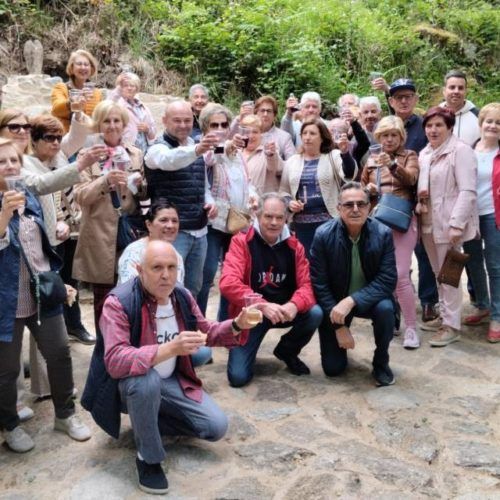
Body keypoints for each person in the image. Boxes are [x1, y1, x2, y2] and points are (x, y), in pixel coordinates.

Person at [81, 240, 256, 494]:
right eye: (157, 268)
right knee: (146, 381)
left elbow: (207, 331)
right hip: (127, 386)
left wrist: (237, 324)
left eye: (171, 267)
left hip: (171, 380)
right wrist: (171, 348)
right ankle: (148, 458)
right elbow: (116, 361)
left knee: (215, 427)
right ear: (140, 270)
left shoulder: (181, 296)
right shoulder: (118, 302)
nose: (165, 275)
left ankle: (147, 422)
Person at [0, 138, 91, 453]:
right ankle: (10, 424)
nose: (10, 166)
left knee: (60, 354)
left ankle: (66, 415)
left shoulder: (31, 196)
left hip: (41, 293)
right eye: (2, 162)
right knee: (7, 370)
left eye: (14, 160)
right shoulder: (8, 203)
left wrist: (56, 279)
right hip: (6, 301)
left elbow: (43, 244)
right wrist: (4, 214)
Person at [220, 193, 323, 387]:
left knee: (315, 313)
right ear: (258, 216)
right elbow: (228, 282)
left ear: (286, 219)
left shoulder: (295, 246)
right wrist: (261, 305)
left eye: (279, 217)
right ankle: (242, 348)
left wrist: (295, 304)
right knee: (238, 378)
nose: (274, 222)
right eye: (268, 216)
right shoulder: (241, 242)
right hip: (252, 315)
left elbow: (307, 285)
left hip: (283, 311)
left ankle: (287, 350)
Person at [310, 182, 397, 386]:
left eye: (361, 204)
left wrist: (351, 301)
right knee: (333, 369)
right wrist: (338, 326)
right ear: (338, 208)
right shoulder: (323, 235)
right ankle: (338, 345)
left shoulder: (383, 233)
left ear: (369, 207)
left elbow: (387, 280)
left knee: (386, 308)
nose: (356, 209)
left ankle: (381, 359)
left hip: (368, 300)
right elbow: (319, 284)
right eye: (349, 205)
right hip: (335, 304)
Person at [72, 101, 145, 334]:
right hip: (99, 235)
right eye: (107, 121)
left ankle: (127, 347)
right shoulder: (87, 155)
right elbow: (80, 196)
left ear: (124, 124)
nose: (112, 126)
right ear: (99, 125)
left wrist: (139, 185)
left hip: (128, 233)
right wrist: (105, 181)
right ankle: (105, 354)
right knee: (103, 300)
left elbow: (142, 196)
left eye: (117, 121)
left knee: (132, 292)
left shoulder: (135, 154)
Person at [372, 77, 439, 323]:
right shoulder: (386, 132)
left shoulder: (424, 125)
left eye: (408, 96)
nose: (403, 100)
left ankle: (429, 301)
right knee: (396, 263)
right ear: (391, 100)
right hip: (390, 207)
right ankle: (397, 305)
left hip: (420, 201)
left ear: (416, 99)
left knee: (423, 254)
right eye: (398, 97)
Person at [118, 200, 213, 365]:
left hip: (168, 328)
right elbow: (131, 299)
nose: (170, 225)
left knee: (203, 352)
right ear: (148, 224)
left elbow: (177, 299)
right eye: (163, 220)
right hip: (140, 328)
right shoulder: (133, 253)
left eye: (174, 221)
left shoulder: (175, 255)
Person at [144, 99, 219, 298]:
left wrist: (210, 201)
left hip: (200, 230)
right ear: (164, 121)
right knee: (166, 289)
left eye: (187, 120)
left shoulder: (196, 146)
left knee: (193, 290)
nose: (183, 125)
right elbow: (169, 160)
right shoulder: (155, 149)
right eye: (177, 120)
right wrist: (197, 150)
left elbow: (204, 186)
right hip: (172, 233)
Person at [417, 106, 478, 347]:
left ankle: (451, 326)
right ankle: (445, 315)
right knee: (437, 273)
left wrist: (456, 224)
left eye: (439, 125)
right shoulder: (425, 153)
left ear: (450, 127)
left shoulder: (460, 151)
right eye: (429, 126)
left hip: (449, 224)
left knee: (449, 275)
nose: (433, 130)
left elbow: (468, 191)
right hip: (428, 222)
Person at [361, 116, 420, 348]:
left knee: (401, 274)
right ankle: (391, 320)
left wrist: (392, 165)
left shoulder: (410, 156)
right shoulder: (371, 159)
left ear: (401, 137)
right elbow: (362, 187)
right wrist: (369, 189)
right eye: (384, 135)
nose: (389, 139)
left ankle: (412, 329)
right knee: (383, 274)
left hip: (402, 219)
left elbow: (412, 180)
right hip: (378, 220)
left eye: (393, 135)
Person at [197, 104, 256, 319]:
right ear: (205, 128)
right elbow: (208, 158)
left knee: (233, 277)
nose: (220, 129)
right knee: (206, 275)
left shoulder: (237, 153)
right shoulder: (204, 147)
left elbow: (246, 182)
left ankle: (226, 324)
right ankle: (199, 324)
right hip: (214, 223)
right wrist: (226, 145)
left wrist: (252, 196)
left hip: (236, 223)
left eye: (223, 124)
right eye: (214, 125)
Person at [280, 118, 357, 257]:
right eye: (305, 133)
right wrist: (290, 203)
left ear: (322, 137)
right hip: (301, 225)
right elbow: (283, 191)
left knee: (332, 264)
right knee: (306, 266)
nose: (308, 137)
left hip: (330, 221)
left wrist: (345, 153)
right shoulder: (292, 161)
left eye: (313, 133)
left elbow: (349, 174)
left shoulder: (333, 156)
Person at [462, 103, 500, 343]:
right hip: (470, 215)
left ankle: (497, 315)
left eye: (498, 123)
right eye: (489, 121)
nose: (493, 126)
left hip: (494, 215)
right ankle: (482, 305)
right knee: (473, 263)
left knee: (495, 266)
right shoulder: (469, 150)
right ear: (481, 123)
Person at [51, 49, 103, 133]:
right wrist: (75, 100)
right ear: (71, 68)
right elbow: (56, 109)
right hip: (66, 136)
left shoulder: (96, 93)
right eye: (79, 64)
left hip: (89, 137)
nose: (83, 67)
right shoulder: (61, 88)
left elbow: (100, 117)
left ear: (91, 69)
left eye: (86, 65)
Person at [109, 72, 156, 153]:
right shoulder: (117, 105)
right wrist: (118, 88)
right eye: (125, 86)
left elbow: (154, 129)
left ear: (137, 89)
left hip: (144, 151)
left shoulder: (143, 107)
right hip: (125, 151)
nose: (129, 88)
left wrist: (148, 129)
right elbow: (106, 106)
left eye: (132, 86)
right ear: (120, 88)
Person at [240, 114, 284, 196]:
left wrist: (271, 155)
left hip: (262, 205)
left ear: (261, 134)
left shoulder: (267, 152)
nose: (251, 136)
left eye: (255, 132)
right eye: (247, 132)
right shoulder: (236, 153)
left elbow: (278, 168)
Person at [440, 70, 480, 146]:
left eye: (460, 88)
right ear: (444, 91)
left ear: (466, 91)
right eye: (452, 87)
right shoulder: (434, 115)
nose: (456, 91)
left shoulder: (478, 116)